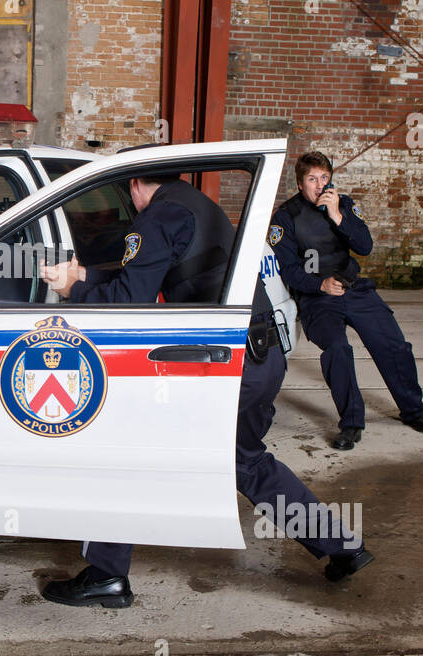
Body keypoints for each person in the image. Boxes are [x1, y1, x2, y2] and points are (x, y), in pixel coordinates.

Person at [37, 173, 373, 608]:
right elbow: (166, 267)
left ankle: (105, 575)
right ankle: (341, 547)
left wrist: (74, 289)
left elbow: (132, 299)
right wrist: (91, 272)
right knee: (247, 462)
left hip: (223, 370)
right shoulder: (199, 206)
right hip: (262, 357)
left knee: (125, 455)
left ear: (137, 184)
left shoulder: (158, 215)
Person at [269, 151, 423, 451]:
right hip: (317, 298)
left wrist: (337, 216)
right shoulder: (285, 218)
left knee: (393, 345)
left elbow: (365, 246)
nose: (320, 185)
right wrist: (319, 284)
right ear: (299, 183)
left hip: (354, 288)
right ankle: (351, 423)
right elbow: (289, 270)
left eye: (324, 178)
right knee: (337, 349)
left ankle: (414, 411)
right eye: (312, 179)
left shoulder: (343, 204)